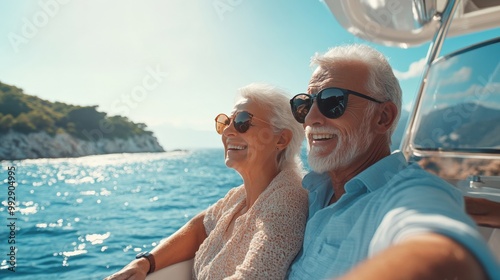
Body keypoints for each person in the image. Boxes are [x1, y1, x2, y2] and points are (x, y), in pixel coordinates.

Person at [287, 44, 500, 280]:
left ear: (383, 117)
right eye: (304, 104)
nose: (310, 118)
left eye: (332, 100)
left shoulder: (408, 189)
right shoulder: (311, 192)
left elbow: (446, 256)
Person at [105, 83, 308, 280]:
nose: (228, 132)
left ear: (281, 139)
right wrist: (145, 263)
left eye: (242, 121)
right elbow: (200, 228)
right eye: (226, 122)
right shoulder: (240, 197)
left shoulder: (286, 203)